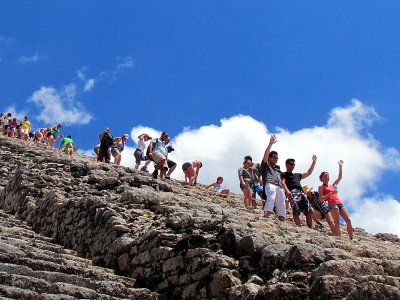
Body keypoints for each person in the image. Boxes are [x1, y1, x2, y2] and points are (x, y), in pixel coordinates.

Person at [318, 160, 353, 239]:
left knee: (348, 220)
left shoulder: (332, 185)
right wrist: (331, 193)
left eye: (327, 175)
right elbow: (321, 199)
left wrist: (340, 166)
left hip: (339, 203)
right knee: (337, 222)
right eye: (325, 175)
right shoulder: (321, 187)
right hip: (332, 204)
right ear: (321, 178)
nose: (327, 176)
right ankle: (339, 238)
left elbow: (339, 177)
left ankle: (351, 238)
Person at [281, 156, 317, 228]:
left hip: (301, 192)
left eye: (294, 164)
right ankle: (299, 227)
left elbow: (308, 173)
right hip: (293, 192)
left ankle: (310, 228)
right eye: (291, 164)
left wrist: (314, 162)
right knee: (295, 210)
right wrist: (287, 191)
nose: (293, 166)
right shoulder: (284, 174)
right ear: (286, 164)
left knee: (309, 210)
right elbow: (283, 182)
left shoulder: (297, 175)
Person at [262, 135, 286, 221]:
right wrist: (270, 144)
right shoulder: (266, 165)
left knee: (282, 204)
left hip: (279, 186)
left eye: (277, 158)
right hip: (270, 183)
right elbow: (265, 156)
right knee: (271, 199)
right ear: (270, 158)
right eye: (274, 157)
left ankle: (282, 221)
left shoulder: (278, 169)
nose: (276, 159)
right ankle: (266, 218)